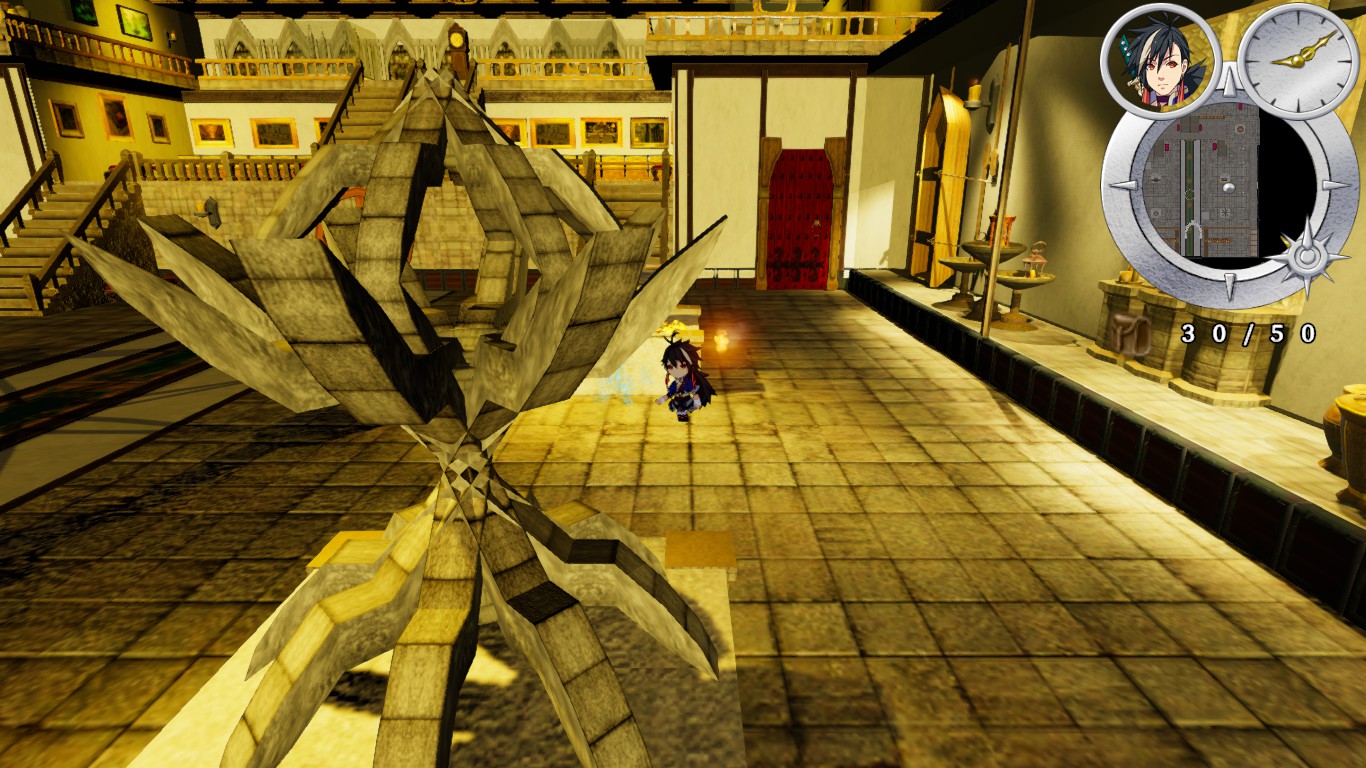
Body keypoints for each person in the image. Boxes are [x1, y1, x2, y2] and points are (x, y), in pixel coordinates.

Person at [1124, 16, 1207, 109]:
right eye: (1151, 66)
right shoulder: (1147, 99)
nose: (1160, 76)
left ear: (1183, 67)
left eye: (1171, 64)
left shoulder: (1194, 95)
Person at [654, 333, 715, 422]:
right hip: (677, 401)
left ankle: (683, 416)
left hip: (686, 401)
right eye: (670, 367)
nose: (676, 370)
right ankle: (681, 416)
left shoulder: (689, 382)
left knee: (682, 409)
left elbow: (694, 392)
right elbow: (669, 394)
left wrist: (697, 402)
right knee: (678, 409)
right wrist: (661, 400)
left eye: (682, 366)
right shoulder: (675, 384)